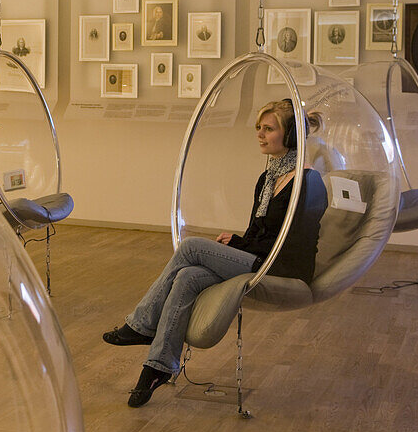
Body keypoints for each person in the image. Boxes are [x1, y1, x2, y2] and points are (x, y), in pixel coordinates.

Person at [102, 99, 326, 408]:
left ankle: (141, 325)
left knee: (192, 246)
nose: (260, 135)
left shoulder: (308, 182)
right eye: (258, 128)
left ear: (290, 136)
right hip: (260, 256)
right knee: (188, 275)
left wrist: (237, 245)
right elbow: (258, 233)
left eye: (269, 129)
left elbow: (289, 246)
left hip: (282, 267)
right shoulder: (268, 178)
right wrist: (237, 241)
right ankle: (157, 368)